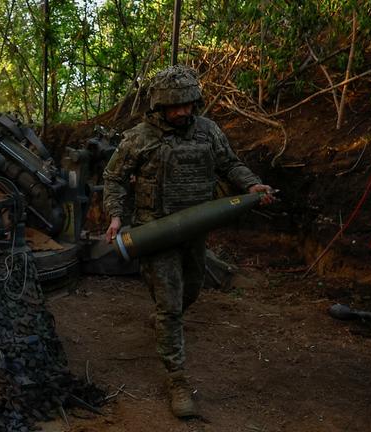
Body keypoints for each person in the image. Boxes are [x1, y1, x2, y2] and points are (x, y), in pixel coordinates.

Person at [103, 65, 275, 418]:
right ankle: (177, 378)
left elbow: (230, 165)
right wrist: (116, 216)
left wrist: (251, 184)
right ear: (159, 106)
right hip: (156, 230)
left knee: (191, 289)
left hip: (195, 229)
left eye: (188, 104)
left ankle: (166, 317)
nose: (183, 111)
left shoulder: (208, 131)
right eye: (175, 106)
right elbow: (114, 178)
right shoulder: (139, 138)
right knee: (170, 304)